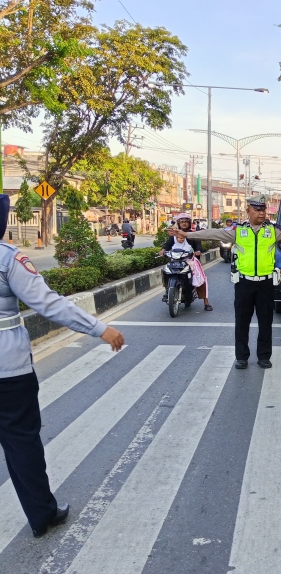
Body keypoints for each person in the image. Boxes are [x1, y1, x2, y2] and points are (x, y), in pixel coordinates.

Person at [0, 195, 125, 538]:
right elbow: (48, 304)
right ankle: (42, 515)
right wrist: (100, 328)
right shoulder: (8, 258)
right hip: (8, 371)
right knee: (22, 443)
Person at [170, 195, 281, 369]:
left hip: (265, 284)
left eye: (263, 210)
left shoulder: (274, 230)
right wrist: (187, 234)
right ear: (248, 210)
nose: (261, 213)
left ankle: (264, 356)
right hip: (244, 284)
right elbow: (212, 233)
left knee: (266, 322)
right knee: (242, 322)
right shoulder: (238, 231)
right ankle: (241, 357)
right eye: (257, 210)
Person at [159, 213, 212, 311]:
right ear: (178, 223)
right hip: (175, 260)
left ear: (189, 223)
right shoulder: (174, 235)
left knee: (200, 278)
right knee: (165, 271)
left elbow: (198, 245)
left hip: (190, 261)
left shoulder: (192, 234)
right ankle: (167, 292)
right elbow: (167, 245)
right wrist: (163, 250)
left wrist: (198, 251)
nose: (184, 224)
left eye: (186, 222)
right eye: (181, 222)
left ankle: (206, 302)